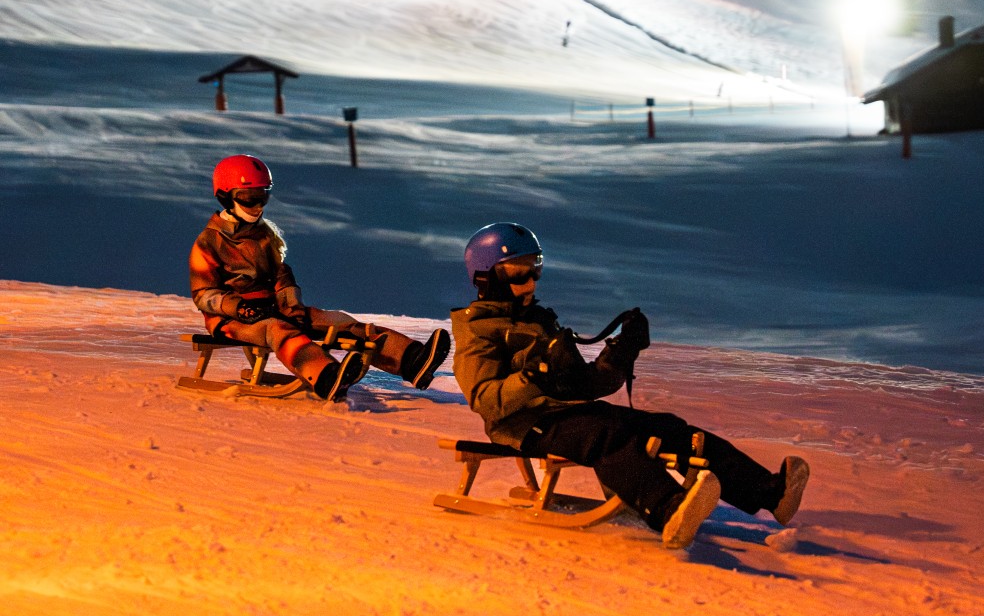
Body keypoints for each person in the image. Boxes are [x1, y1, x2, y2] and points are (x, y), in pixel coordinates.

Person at [450, 222, 810, 550]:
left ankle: (769, 493)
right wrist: (533, 376)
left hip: (570, 413)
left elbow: (586, 384)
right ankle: (669, 510)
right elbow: (484, 401)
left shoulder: (539, 321)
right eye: (518, 271)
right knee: (605, 436)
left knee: (667, 428)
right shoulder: (477, 331)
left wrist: (622, 352)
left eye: (535, 268)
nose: (531, 281)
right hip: (525, 426)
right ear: (487, 276)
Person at [190, 154, 450, 402]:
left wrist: (292, 307)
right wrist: (239, 308)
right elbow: (203, 294)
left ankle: (411, 360)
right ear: (226, 197)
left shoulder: (264, 234)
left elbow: (281, 274)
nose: (257, 206)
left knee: (338, 321)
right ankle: (325, 375)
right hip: (231, 319)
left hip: (273, 307)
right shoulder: (210, 241)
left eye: (263, 197)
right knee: (278, 330)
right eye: (249, 198)